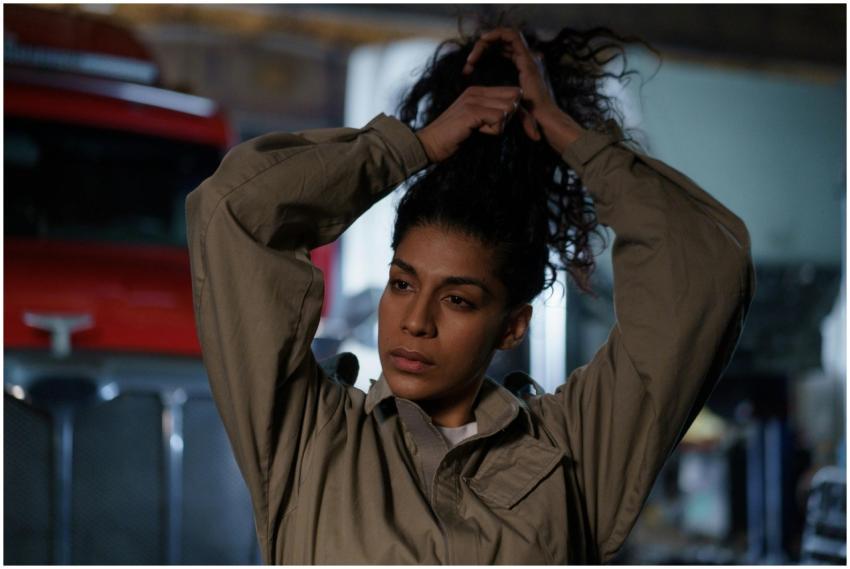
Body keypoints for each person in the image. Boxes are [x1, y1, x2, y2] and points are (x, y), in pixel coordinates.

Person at [186, 25, 755, 564]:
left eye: (458, 299)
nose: (415, 321)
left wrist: (567, 134)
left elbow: (705, 263)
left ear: (513, 325)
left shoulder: (573, 454)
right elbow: (234, 215)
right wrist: (411, 148)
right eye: (403, 283)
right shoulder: (307, 436)